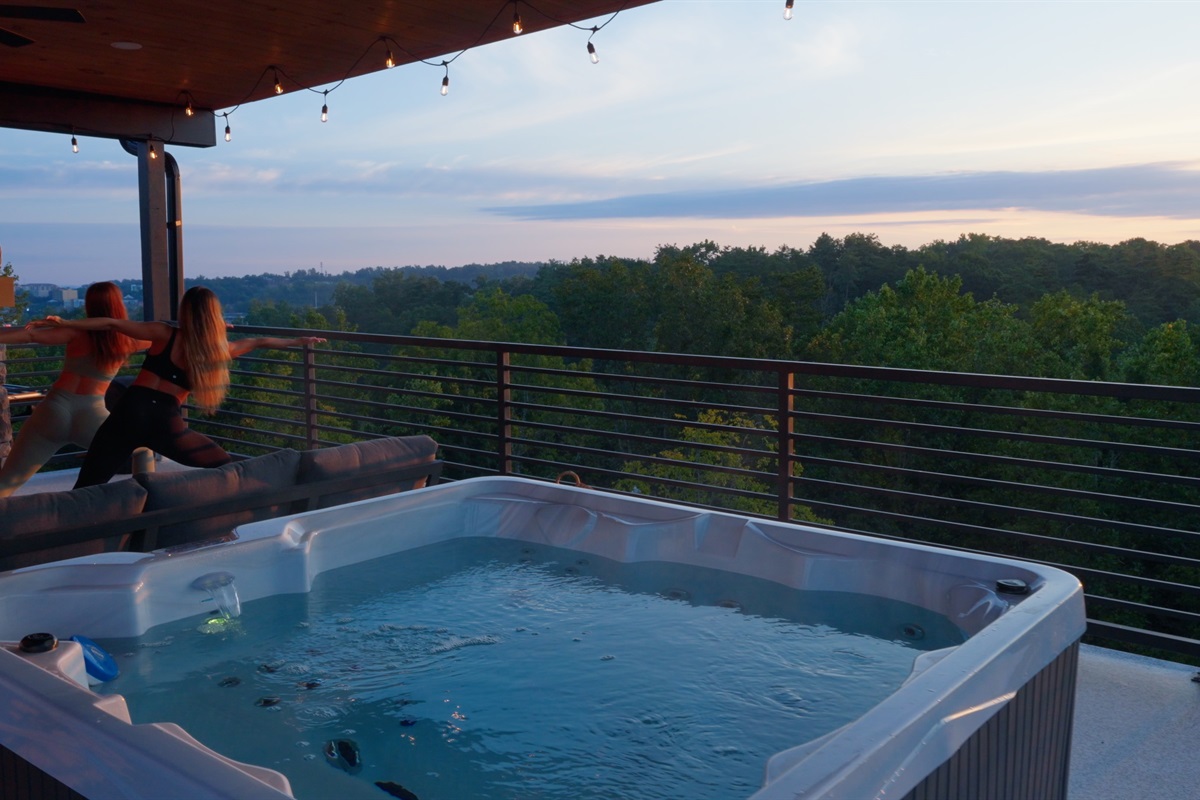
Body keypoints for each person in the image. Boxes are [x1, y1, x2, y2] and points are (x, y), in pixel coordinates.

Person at [34, 286, 325, 489]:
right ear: (214, 316)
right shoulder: (215, 351)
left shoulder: (163, 333)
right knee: (223, 463)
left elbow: (112, 323)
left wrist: (66, 320)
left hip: (129, 409)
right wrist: (298, 342)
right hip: (165, 421)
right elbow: (259, 341)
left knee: (87, 484)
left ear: (185, 311)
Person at [0, 282, 146, 497]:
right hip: (92, 415)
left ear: (89, 305)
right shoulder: (129, 340)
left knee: (5, 484)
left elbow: (29, 335)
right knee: (142, 449)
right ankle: (142, 507)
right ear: (118, 305)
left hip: (53, 409)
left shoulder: (73, 332)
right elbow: (162, 334)